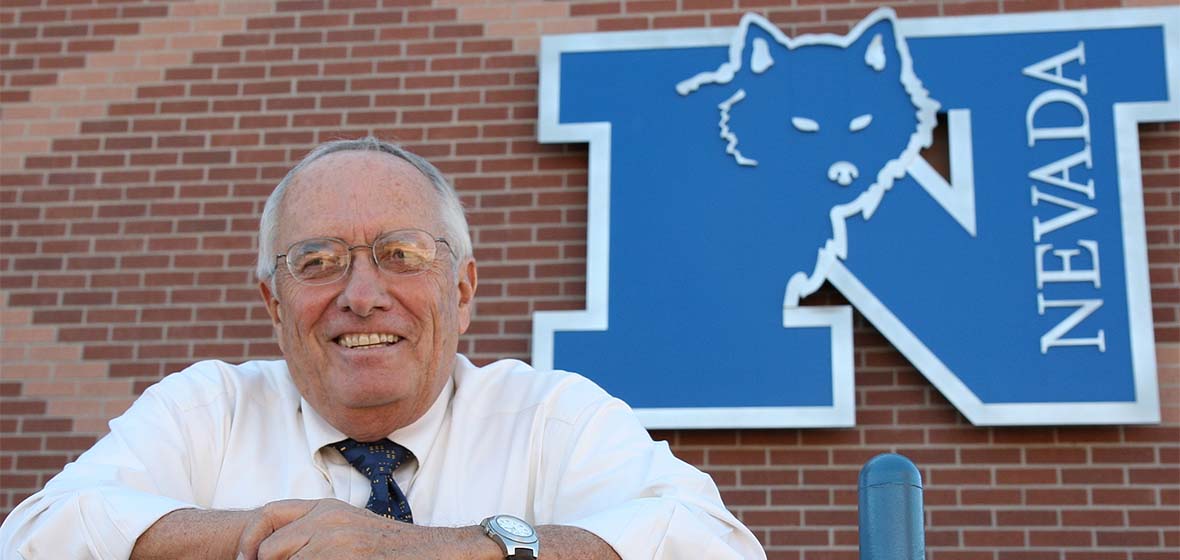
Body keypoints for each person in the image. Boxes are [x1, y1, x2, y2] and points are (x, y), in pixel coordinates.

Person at [0, 138, 767, 560]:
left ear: (462, 291)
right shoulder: (206, 411)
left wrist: (442, 553)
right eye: (317, 260)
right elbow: (39, 534)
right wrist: (269, 537)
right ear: (273, 302)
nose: (360, 294)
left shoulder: (552, 418)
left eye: (401, 254)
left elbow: (711, 544)